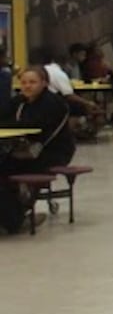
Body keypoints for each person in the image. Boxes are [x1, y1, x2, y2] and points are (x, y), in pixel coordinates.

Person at [0, 67, 76, 233]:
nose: (27, 86)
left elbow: (33, 125)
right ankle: (9, 216)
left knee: (6, 171)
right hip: (23, 151)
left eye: (32, 82)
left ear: (44, 83)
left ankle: (14, 220)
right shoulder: (20, 101)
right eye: (24, 82)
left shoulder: (54, 103)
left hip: (51, 153)